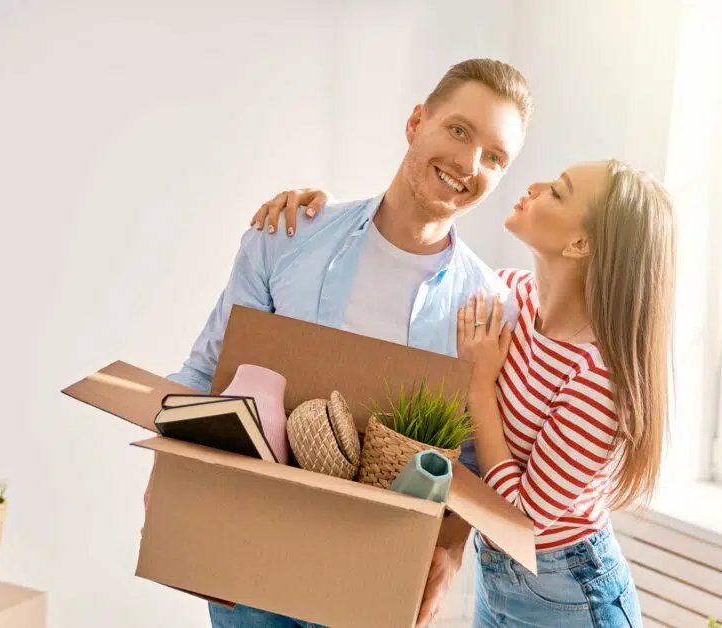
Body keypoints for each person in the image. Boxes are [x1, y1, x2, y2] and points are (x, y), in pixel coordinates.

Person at [152, 57, 533, 628]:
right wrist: (171, 495)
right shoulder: (289, 235)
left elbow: (470, 458)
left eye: (494, 157)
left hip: (374, 580)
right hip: (248, 559)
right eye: (459, 130)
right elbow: (209, 371)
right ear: (415, 122)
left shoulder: (490, 308)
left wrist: (451, 551)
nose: (468, 163)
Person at [249, 158, 675, 627]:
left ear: (579, 243)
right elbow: (405, 286)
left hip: (569, 595)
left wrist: (479, 384)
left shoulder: (600, 382)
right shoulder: (512, 295)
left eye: (557, 191)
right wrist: (316, 220)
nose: (534, 184)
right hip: (497, 578)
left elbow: (519, 521)